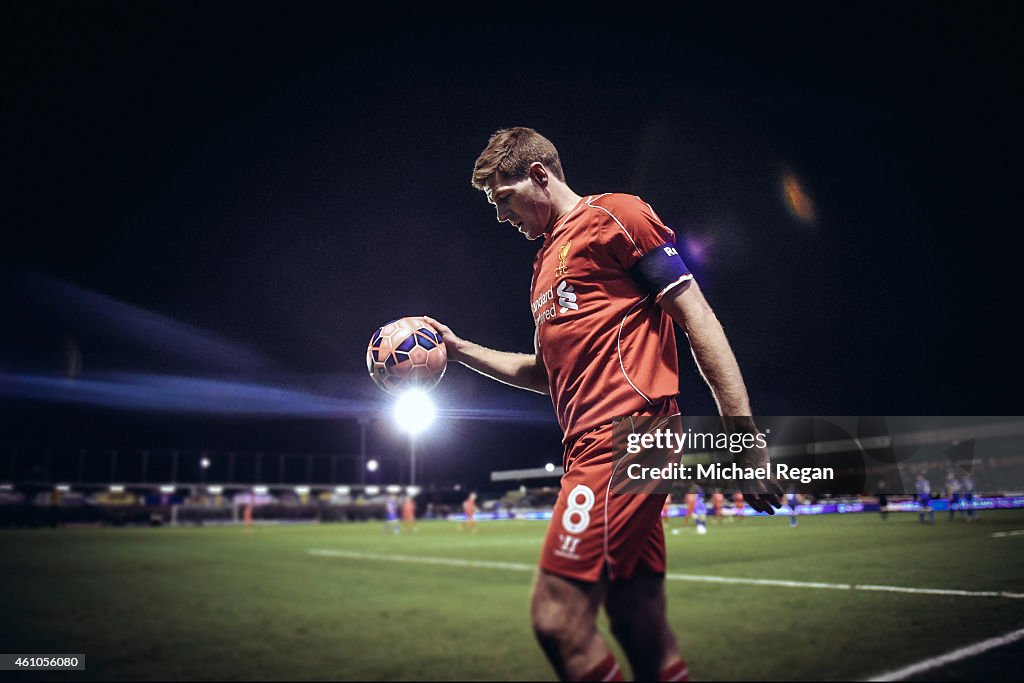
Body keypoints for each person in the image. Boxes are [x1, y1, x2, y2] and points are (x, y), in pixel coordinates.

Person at [424, 127, 781, 682]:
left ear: (540, 175)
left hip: (629, 440)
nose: (501, 216)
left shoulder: (617, 215)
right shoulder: (543, 266)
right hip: (592, 447)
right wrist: (459, 350)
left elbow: (698, 319)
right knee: (640, 625)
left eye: (504, 199)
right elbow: (545, 374)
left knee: (557, 619)